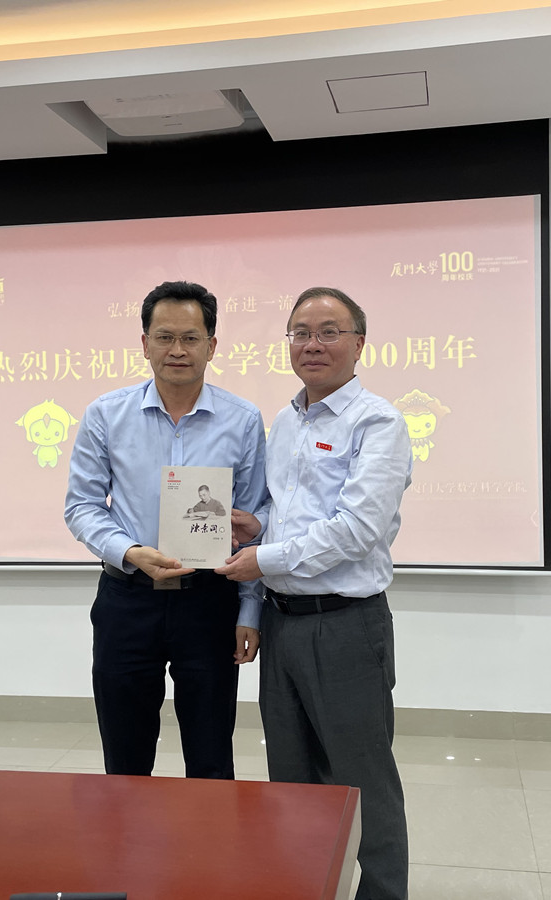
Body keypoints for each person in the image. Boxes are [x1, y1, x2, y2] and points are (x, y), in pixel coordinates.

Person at [216, 286, 412, 899]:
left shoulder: (378, 422)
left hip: (346, 626)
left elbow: (356, 530)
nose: (313, 344)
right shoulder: (284, 422)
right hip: (283, 623)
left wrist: (264, 557)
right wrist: (257, 529)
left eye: (329, 331)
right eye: (300, 332)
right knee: (292, 780)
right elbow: (289, 516)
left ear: (359, 343)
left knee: (362, 783)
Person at [64, 280, 267, 780]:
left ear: (211, 346)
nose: (177, 350)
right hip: (128, 600)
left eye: (191, 338)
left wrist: (250, 609)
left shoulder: (243, 421)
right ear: (145, 343)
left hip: (210, 601)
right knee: (125, 757)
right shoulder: (106, 415)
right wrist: (129, 550)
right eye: (165, 337)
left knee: (211, 754)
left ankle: (209, 834)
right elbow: (82, 506)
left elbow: (255, 519)